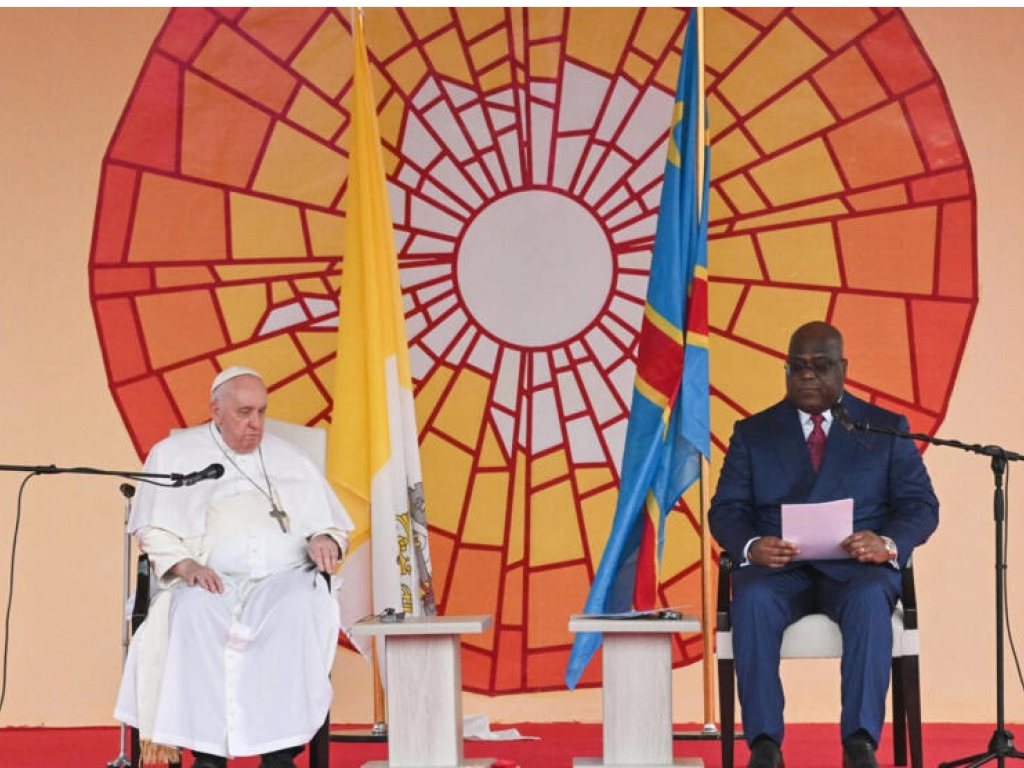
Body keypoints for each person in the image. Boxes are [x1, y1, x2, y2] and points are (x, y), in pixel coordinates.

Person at [708, 321, 939, 768]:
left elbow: (920, 506)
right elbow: (726, 510)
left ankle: (859, 743)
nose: (807, 376)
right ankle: (764, 746)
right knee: (750, 598)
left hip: (856, 570)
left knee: (873, 595)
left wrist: (886, 542)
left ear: (843, 368)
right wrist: (752, 545)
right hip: (778, 572)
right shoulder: (753, 433)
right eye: (797, 367)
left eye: (820, 366)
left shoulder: (886, 428)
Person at [114, 366, 355, 768]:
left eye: (261, 412)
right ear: (215, 410)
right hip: (209, 579)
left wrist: (324, 540)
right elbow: (151, 527)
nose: (256, 424)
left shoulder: (290, 459)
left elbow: (329, 524)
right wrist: (186, 564)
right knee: (192, 613)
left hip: (284, 578)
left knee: (298, 611)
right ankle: (208, 755)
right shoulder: (176, 455)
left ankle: (280, 753)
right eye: (244, 412)